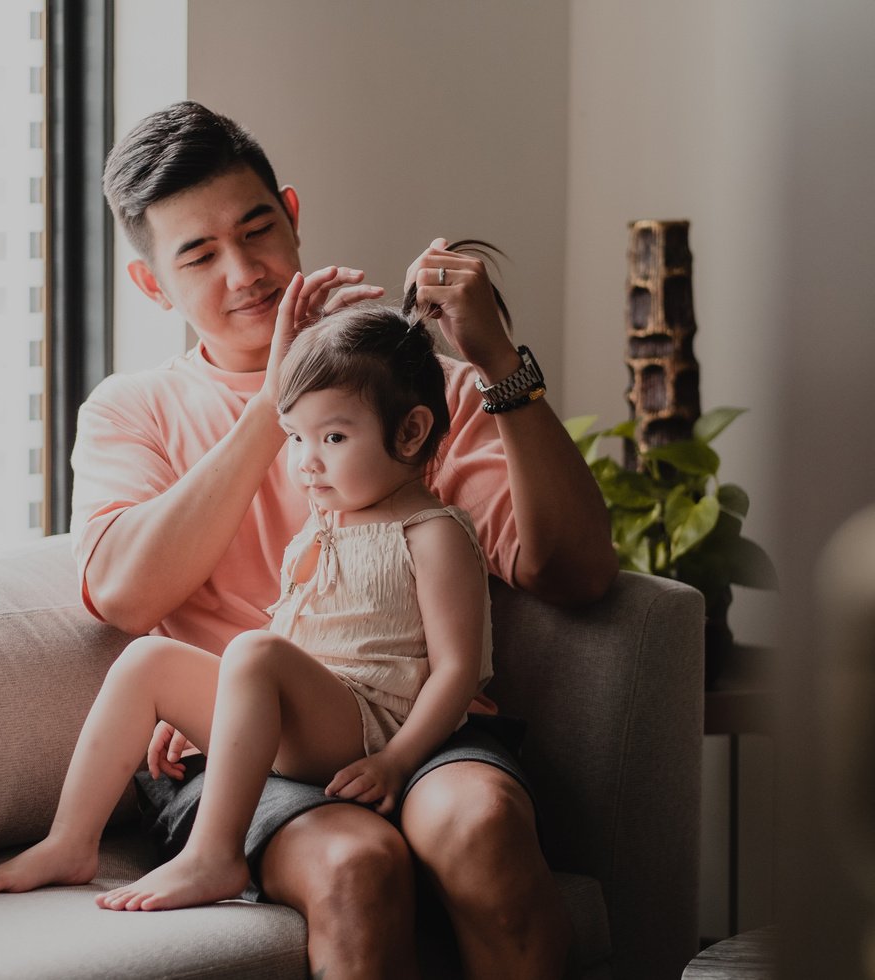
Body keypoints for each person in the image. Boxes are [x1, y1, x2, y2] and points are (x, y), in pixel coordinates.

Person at [65, 102, 615, 978]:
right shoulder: (131, 410)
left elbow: (576, 572)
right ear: (151, 287)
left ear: (291, 214)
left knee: (482, 828)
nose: (244, 273)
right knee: (356, 867)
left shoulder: (414, 390)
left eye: (258, 231)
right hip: (251, 752)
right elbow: (126, 592)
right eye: (199, 256)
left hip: (420, 724)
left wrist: (497, 359)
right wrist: (271, 402)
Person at [0, 293, 496, 916]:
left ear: (410, 431)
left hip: (369, 723)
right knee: (150, 660)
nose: (306, 463)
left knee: (253, 647)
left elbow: (458, 669)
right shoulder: (325, 522)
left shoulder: (433, 532)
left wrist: (396, 760)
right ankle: (69, 841)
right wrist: (205, 704)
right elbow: (297, 629)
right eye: (296, 437)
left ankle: (215, 854)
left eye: (333, 436)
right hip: (307, 716)